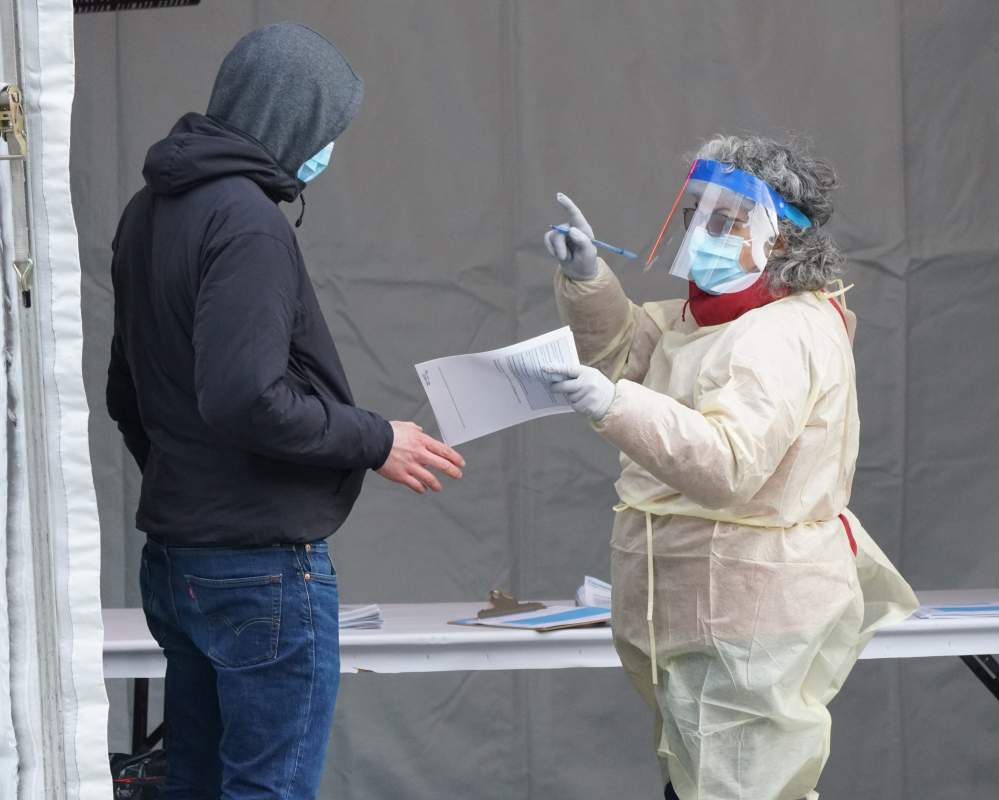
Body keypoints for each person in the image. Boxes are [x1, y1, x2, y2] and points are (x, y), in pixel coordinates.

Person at [105, 23, 465, 799]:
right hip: (259, 568)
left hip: (177, 558)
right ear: (293, 120)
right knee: (269, 788)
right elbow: (246, 397)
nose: (329, 150)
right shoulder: (247, 221)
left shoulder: (146, 213)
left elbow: (123, 394)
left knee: (193, 783)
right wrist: (376, 439)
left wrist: (191, 484)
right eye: (329, 130)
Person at [544, 134, 918, 800]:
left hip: (749, 617)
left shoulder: (782, 333)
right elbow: (629, 350)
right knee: (703, 783)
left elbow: (729, 463)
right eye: (697, 216)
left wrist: (614, 404)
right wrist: (589, 280)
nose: (703, 232)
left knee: (746, 788)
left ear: (779, 238)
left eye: (726, 220)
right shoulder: (710, 318)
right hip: (699, 611)